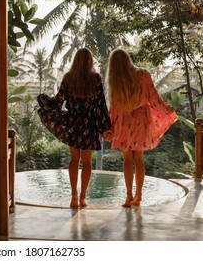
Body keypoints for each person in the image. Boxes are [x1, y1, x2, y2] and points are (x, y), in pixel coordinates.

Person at [37, 47, 111, 208]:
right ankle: (83, 197)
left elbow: (58, 101)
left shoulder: (68, 78)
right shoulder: (96, 79)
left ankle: (73, 196)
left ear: (75, 60)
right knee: (86, 161)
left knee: (74, 159)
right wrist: (105, 127)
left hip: (73, 122)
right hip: (89, 123)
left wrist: (44, 101)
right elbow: (100, 105)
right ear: (90, 61)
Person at [104, 48, 178, 207]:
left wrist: (110, 128)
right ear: (128, 59)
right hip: (141, 121)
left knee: (127, 159)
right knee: (138, 159)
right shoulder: (143, 74)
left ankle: (129, 196)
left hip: (124, 122)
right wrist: (167, 109)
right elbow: (154, 97)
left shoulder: (115, 80)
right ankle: (139, 195)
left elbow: (114, 108)